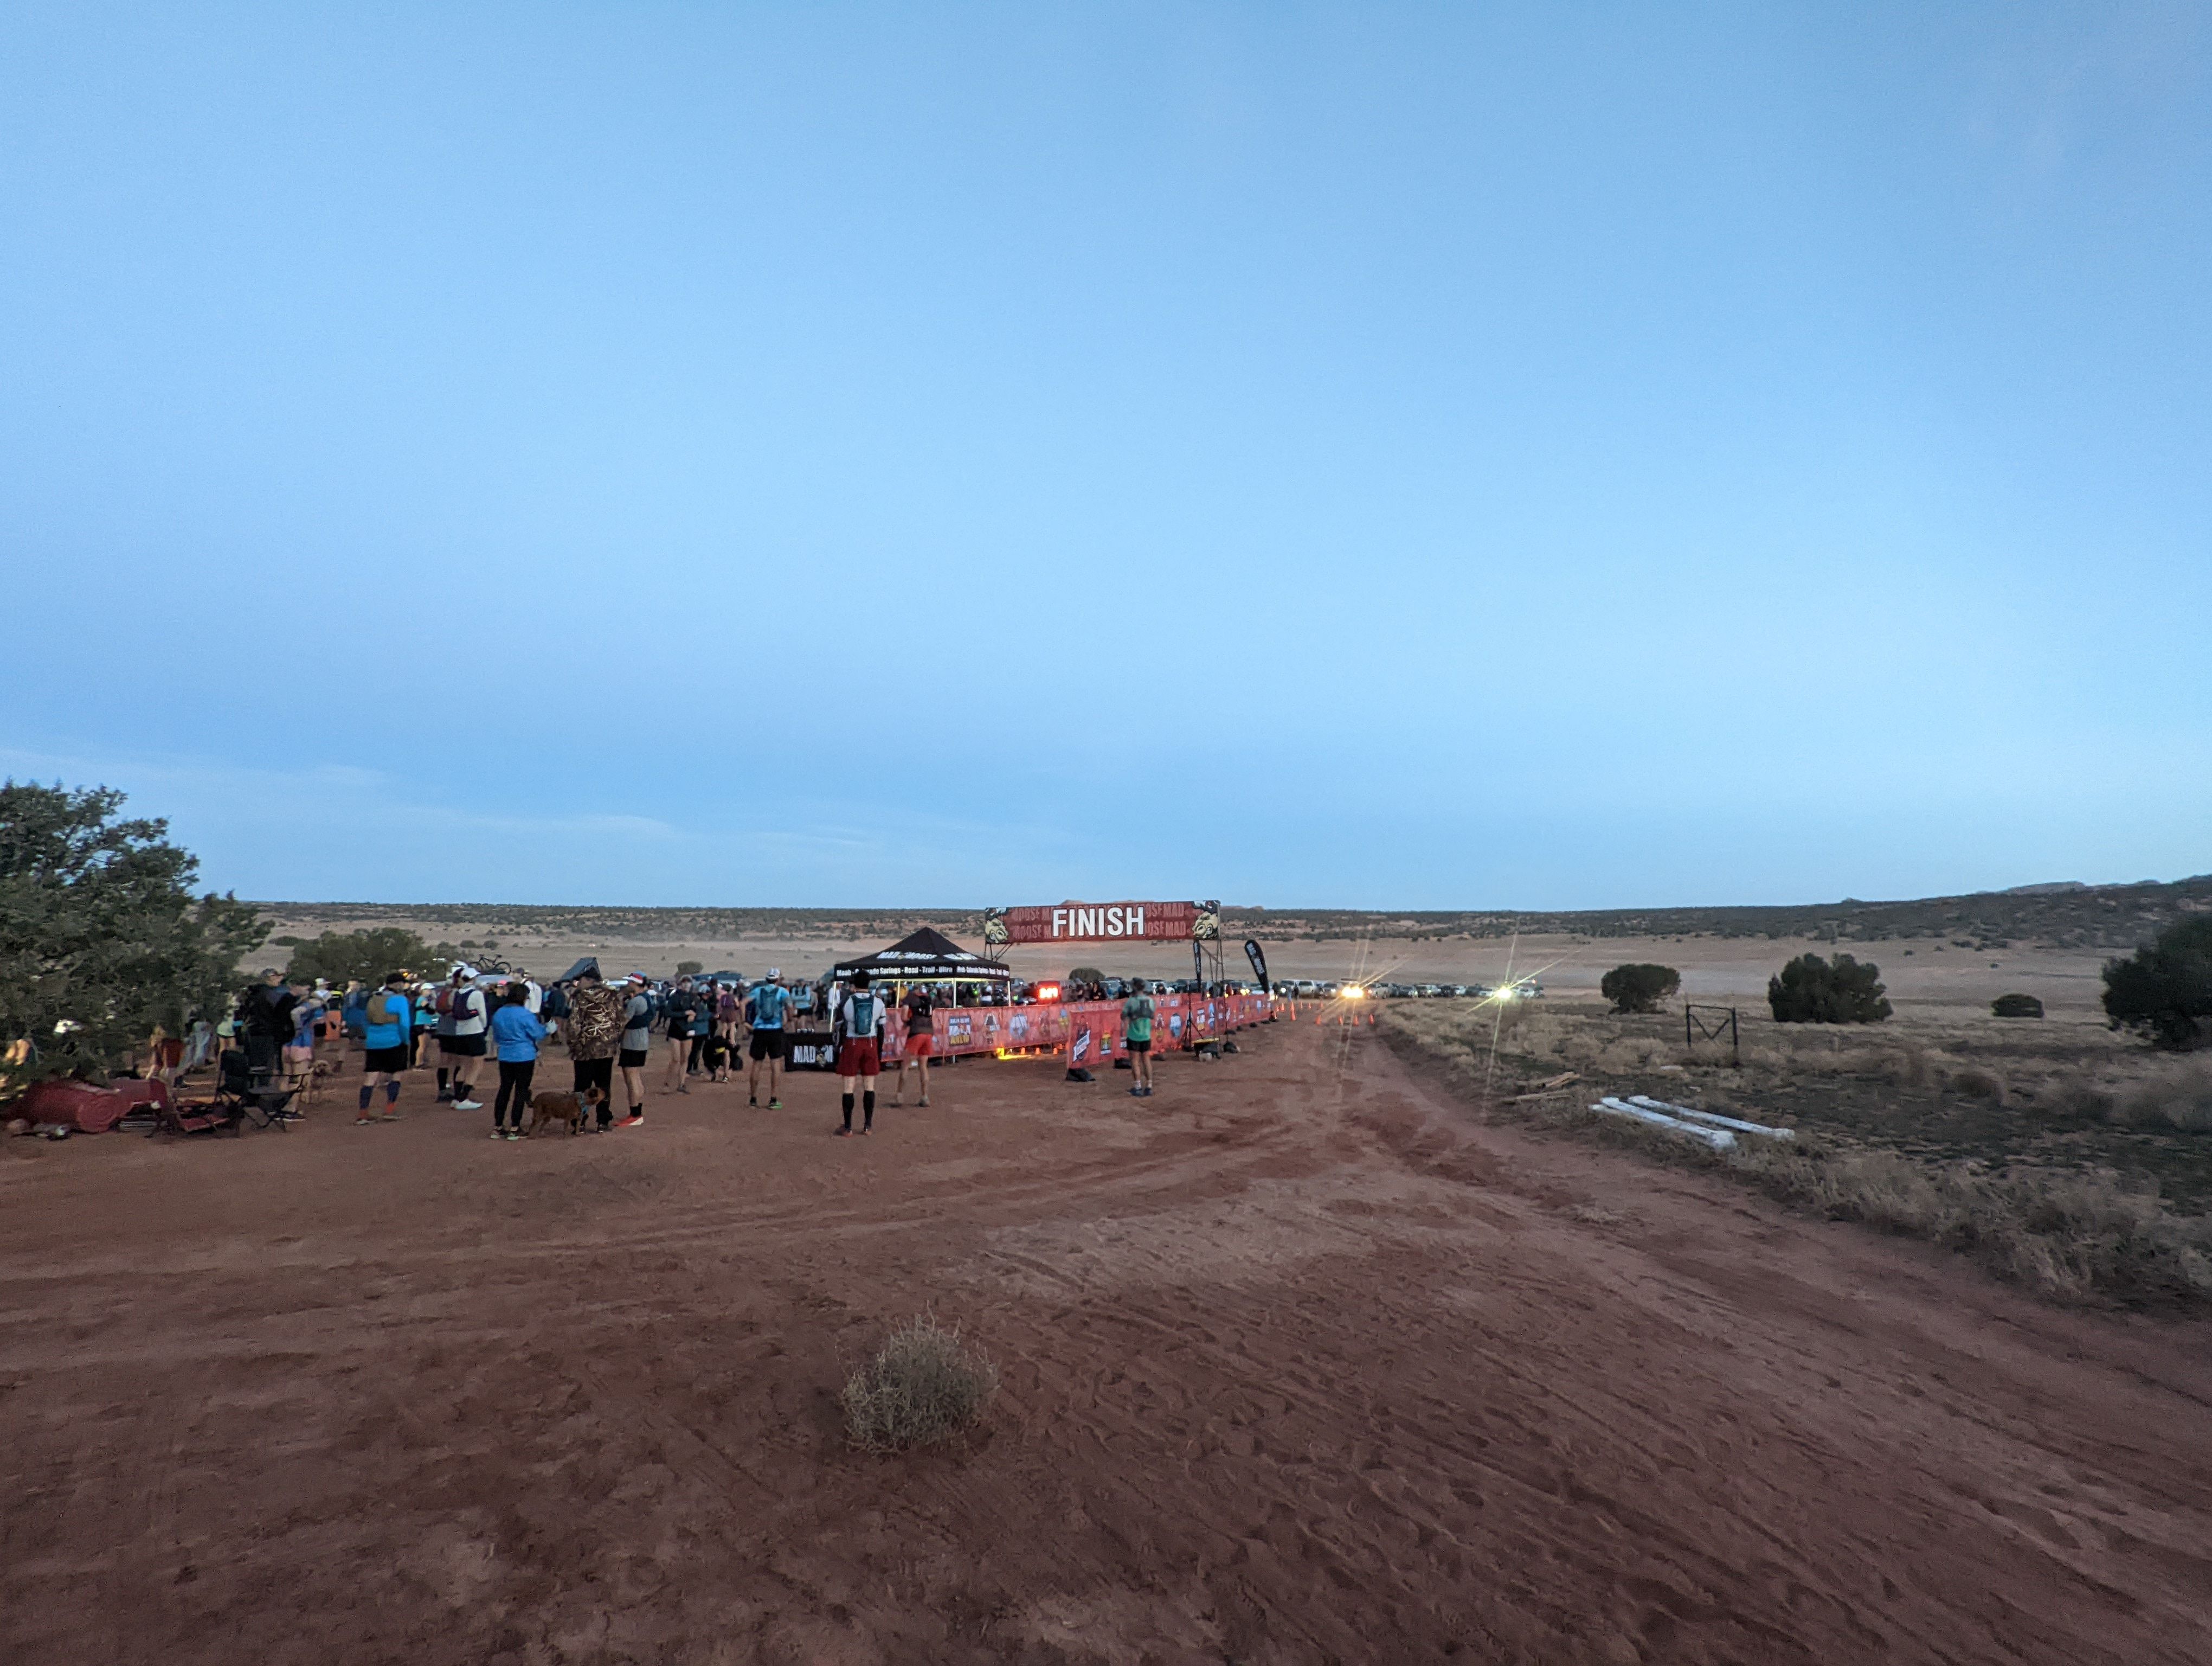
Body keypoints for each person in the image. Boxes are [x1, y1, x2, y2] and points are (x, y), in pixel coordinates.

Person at [563, 965, 624, 1132]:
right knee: (603, 1086)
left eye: (581, 980)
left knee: (582, 1087)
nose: (578, 983)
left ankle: (579, 1122)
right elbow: (620, 1022)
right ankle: (602, 1122)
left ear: (589, 980)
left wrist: (574, 1045)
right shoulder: (613, 996)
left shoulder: (580, 997)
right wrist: (612, 1042)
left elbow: (574, 1025)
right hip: (606, 1050)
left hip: (585, 1051)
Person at [833, 971, 893, 1136]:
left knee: (848, 1087)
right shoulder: (879, 1003)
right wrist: (879, 1051)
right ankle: (867, 1126)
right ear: (869, 984)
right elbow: (881, 1029)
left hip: (852, 1044)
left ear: (854, 984)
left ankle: (848, 1127)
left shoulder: (847, 1002)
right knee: (869, 1086)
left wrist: (837, 1049)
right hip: (871, 1043)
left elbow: (838, 1028)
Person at [488, 983, 548, 1141]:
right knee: (521, 1091)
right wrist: (548, 1029)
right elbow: (537, 1033)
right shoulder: (525, 1014)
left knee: (504, 1090)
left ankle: (498, 1126)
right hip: (524, 1055)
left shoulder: (499, 1013)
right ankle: (515, 1127)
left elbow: (497, 1037)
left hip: (505, 1055)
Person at [357, 970, 410, 1123]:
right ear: (399, 984)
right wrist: (406, 1040)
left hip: (373, 1042)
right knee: (396, 1075)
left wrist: (371, 1036)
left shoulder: (373, 999)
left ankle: (363, 1114)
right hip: (394, 1040)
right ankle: (389, 1110)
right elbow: (404, 1024)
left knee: (371, 1078)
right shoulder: (400, 1000)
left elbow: (365, 1020)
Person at [436, 966, 488, 1111]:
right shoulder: (476, 994)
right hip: (474, 1032)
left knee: (464, 1065)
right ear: (473, 979)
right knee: (477, 1064)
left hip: (460, 1033)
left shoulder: (458, 993)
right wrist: (483, 1028)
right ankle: (463, 1097)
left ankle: (457, 1097)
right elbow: (483, 1015)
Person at [238, 969, 298, 1079]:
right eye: (275, 977)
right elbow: (279, 1014)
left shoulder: (253, 994)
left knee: (255, 1063)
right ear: (267, 979)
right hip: (266, 1032)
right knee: (267, 1063)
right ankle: (265, 1088)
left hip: (253, 1031)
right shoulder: (269, 994)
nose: (279, 979)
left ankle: (254, 1087)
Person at [746, 971, 790, 1110]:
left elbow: (742, 1003)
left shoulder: (758, 991)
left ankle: (753, 1099)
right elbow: (790, 1008)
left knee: (757, 1064)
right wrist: (787, 1020)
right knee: (775, 1063)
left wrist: (744, 1022)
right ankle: (773, 1099)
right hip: (775, 1030)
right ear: (778, 979)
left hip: (759, 1030)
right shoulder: (783, 992)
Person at [616, 974, 655, 1127]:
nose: (628, 984)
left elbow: (623, 1021)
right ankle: (637, 1111)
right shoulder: (646, 999)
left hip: (632, 1043)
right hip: (641, 1041)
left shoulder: (636, 1001)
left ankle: (635, 1114)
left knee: (631, 1078)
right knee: (636, 1077)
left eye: (630, 982)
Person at [892, 982, 935, 1108]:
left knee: (905, 1064)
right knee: (923, 1066)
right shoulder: (928, 998)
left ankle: (899, 1095)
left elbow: (904, 1016)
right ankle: (925, 1097)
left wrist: (909, 1022)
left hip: (916, 1033)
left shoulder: (909, 998)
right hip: (928, 1032)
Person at [662, 976, 701, 1094]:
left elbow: (700, 1012)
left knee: (685, 1059)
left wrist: (694, 1015)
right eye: (684, 983)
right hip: (675, 1030)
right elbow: (668, 1012)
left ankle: (681, 1084)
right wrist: (685, 1013)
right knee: (676, 1059)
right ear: (680, 984)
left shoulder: (694, 997)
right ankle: (667, 1084)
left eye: (688, 983)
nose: (686, 985)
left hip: (688, 1030)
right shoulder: (675, 997)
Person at [1122, 979, 1156, 1098]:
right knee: (1146, 1060)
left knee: (1135, 1061)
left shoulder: (1131, 1001)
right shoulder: (1151, 1001)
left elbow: (1123, 1016)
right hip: (1146, 1035)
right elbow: (1152, 1015)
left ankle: (1137, 1087)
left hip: (1134, 1035)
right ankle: (1149, 1086)